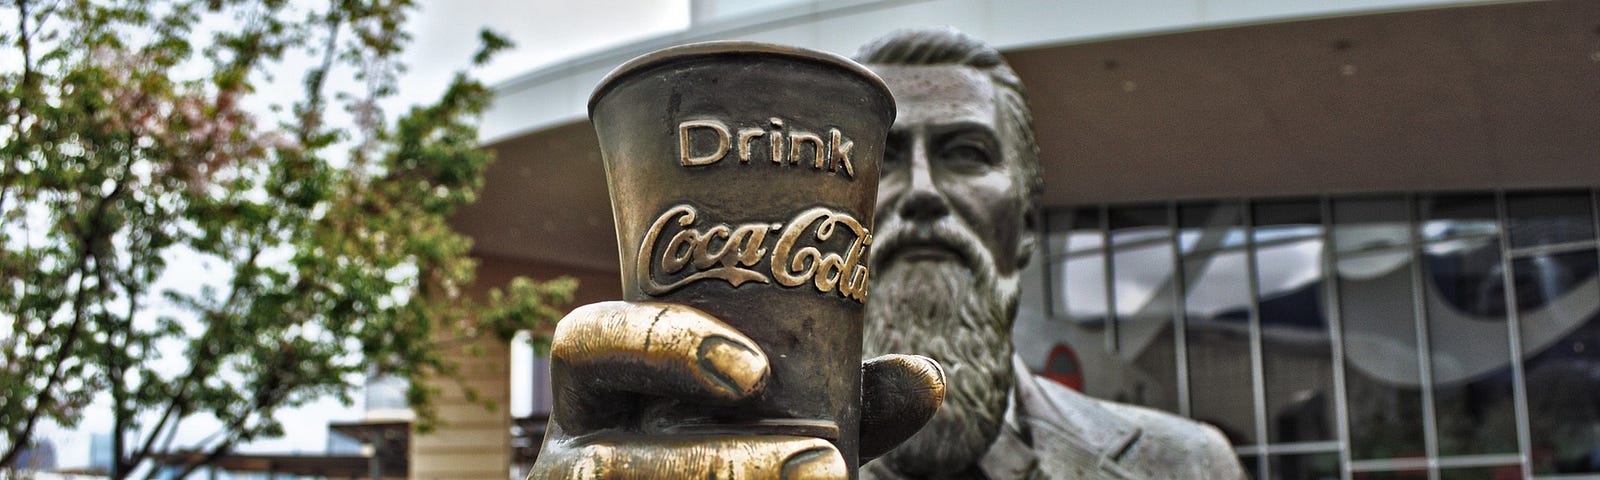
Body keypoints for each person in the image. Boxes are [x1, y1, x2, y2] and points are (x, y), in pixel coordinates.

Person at [529, 27, 1245, 479]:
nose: (924, 193)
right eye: (884, 158)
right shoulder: (703, 451)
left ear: (1024, 225)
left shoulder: (1187, 464)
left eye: (966, 153)